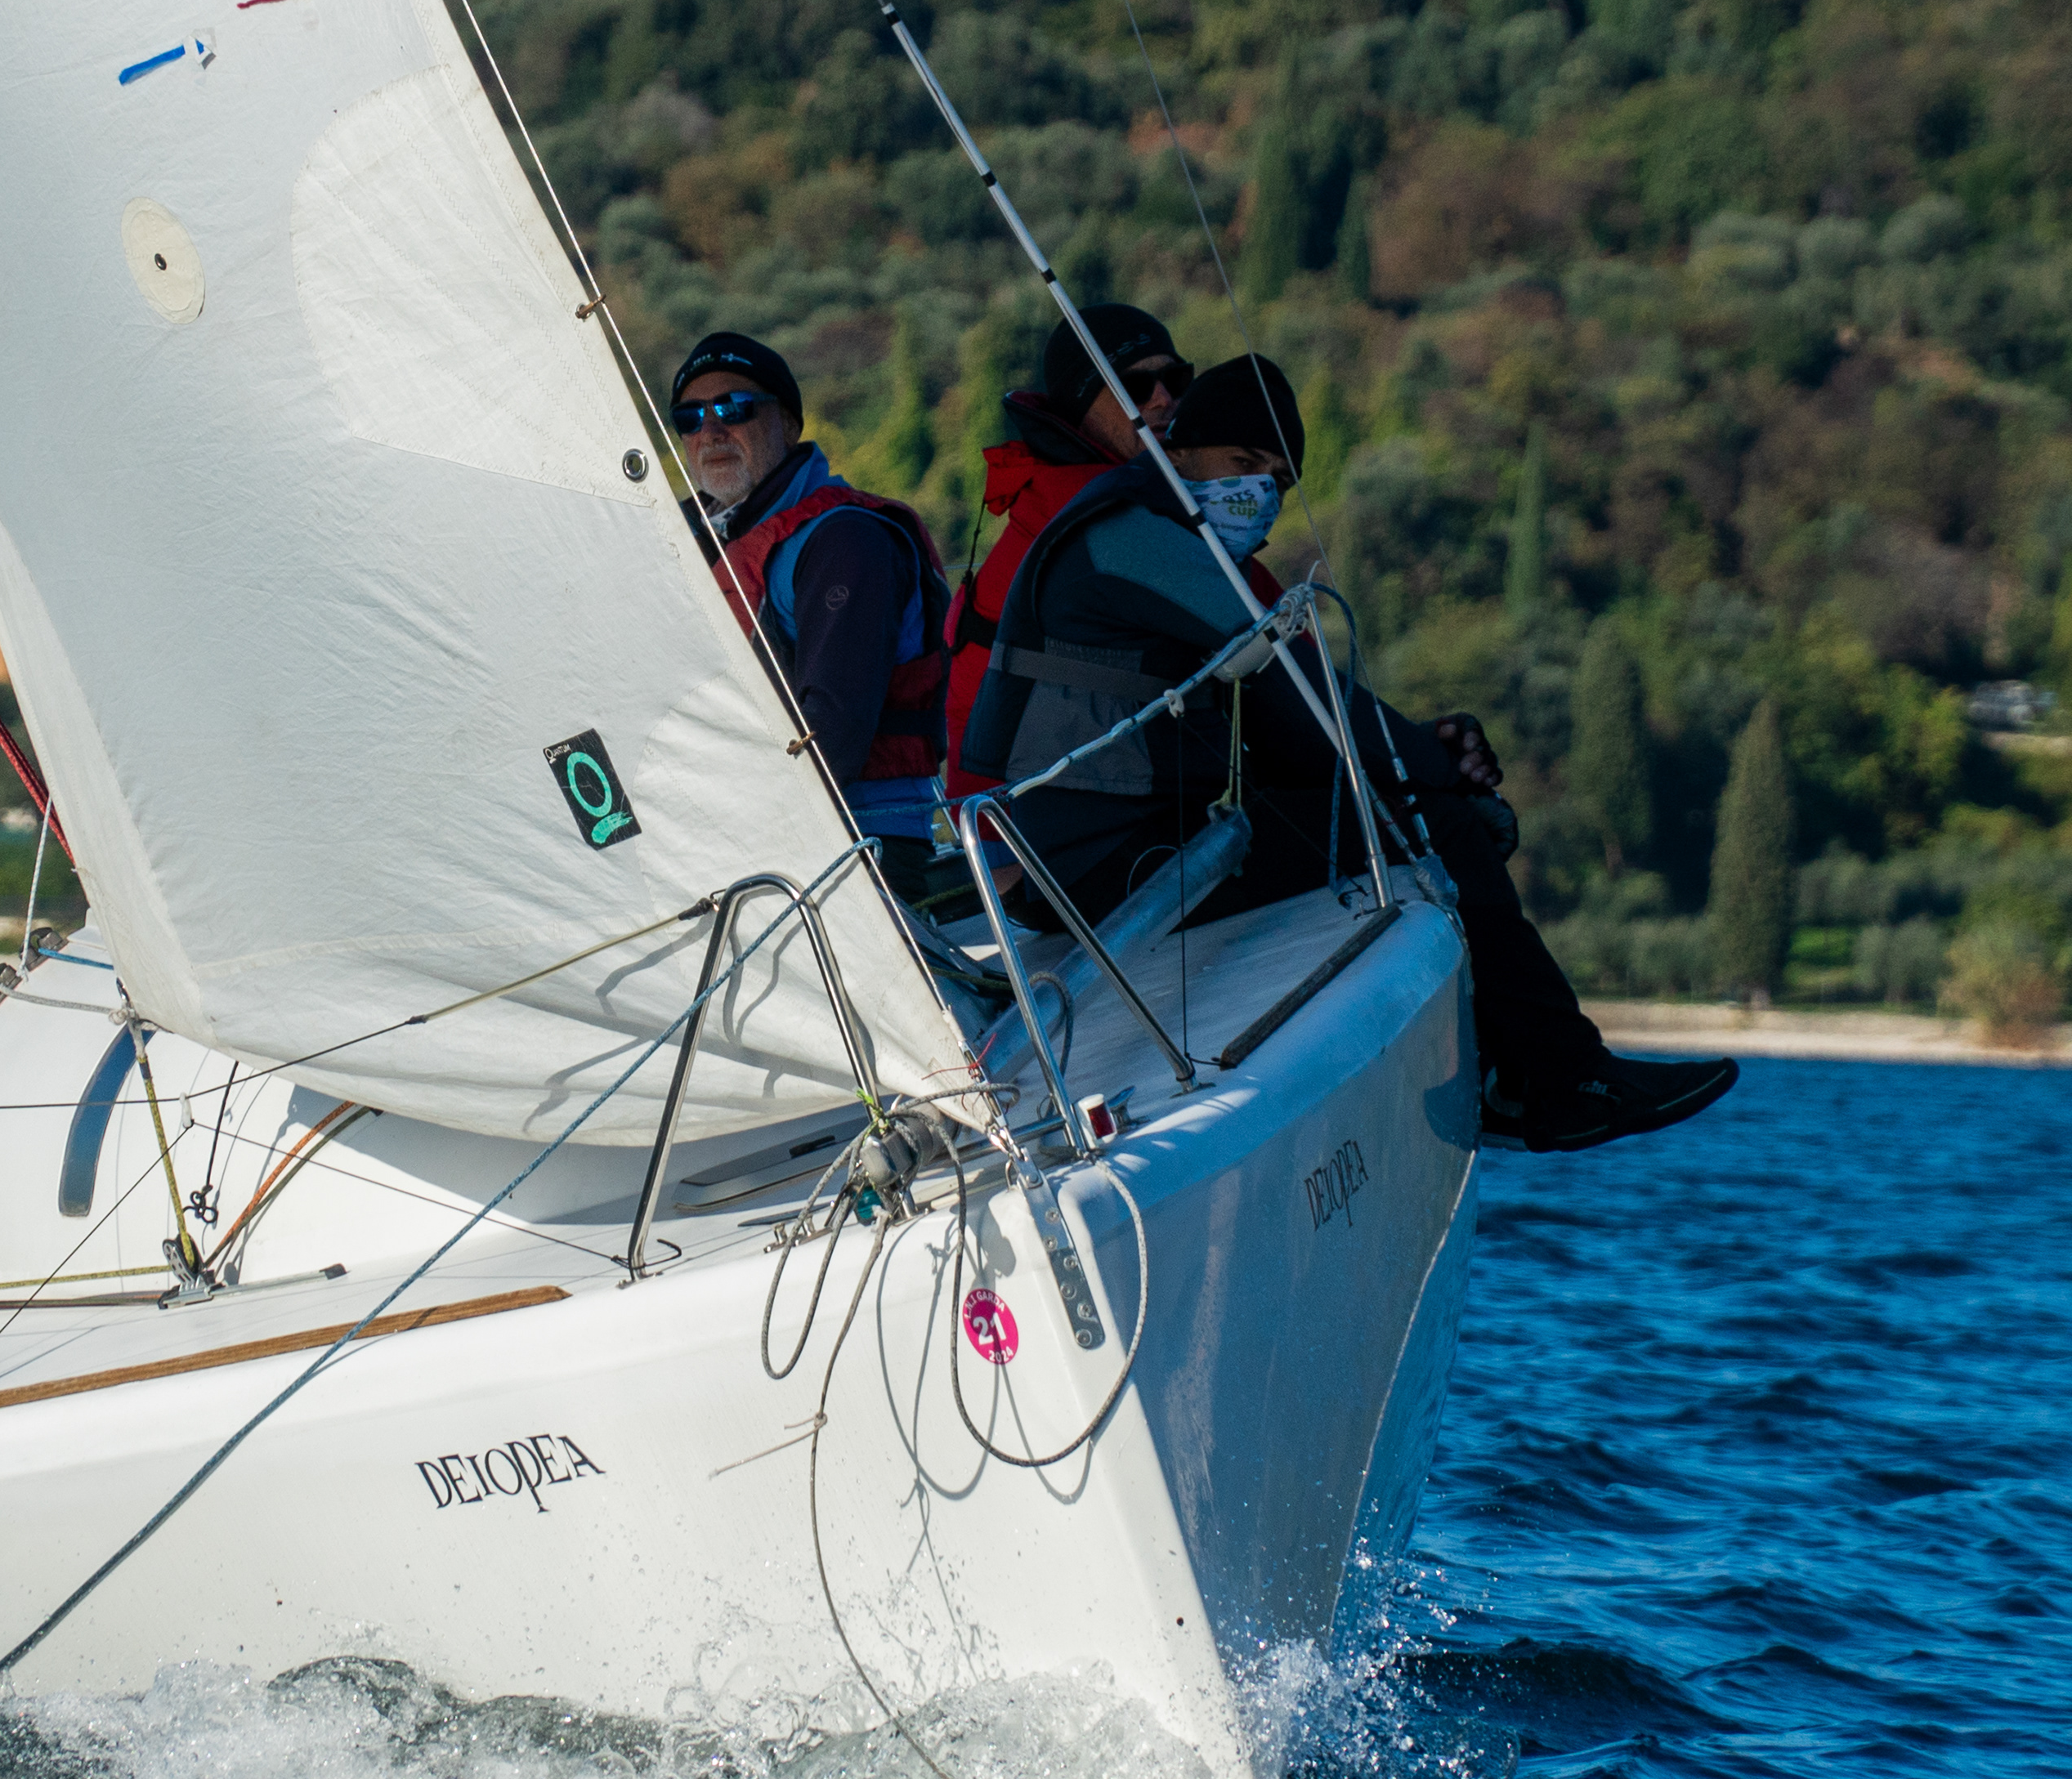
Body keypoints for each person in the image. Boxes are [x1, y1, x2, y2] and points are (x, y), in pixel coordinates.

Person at [960, 353, 1736, 1154]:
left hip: (1109, 849)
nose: (1259, 490)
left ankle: (1522, 1074)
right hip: (1090, 872)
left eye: (1278, 479)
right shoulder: (1133, 538)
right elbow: (1299, 692)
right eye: (1241, 461)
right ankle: (1566, 1080)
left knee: (1419, 814)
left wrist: (1422, 754)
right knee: (1429, 825)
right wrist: (1434, 770)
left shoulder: (1154, 531)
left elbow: (1294, 725)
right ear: (1179, 450)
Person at [674, 331, 956, 897]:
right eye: (690, 417)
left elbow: (833, 734)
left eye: (734, 407)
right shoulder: (691, 546)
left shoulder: (845, 542)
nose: (712, 430)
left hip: (859, 845)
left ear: (788, 424)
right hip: (740, 849)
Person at [942, 306, 1193, 796]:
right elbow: (1253, 618)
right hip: (1023, 814)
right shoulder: (1100, 515)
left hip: (1042, 793)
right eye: (1135, 388)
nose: (1164, 398)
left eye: (1177, 379)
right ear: (1082, 407)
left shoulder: (1069, 493)